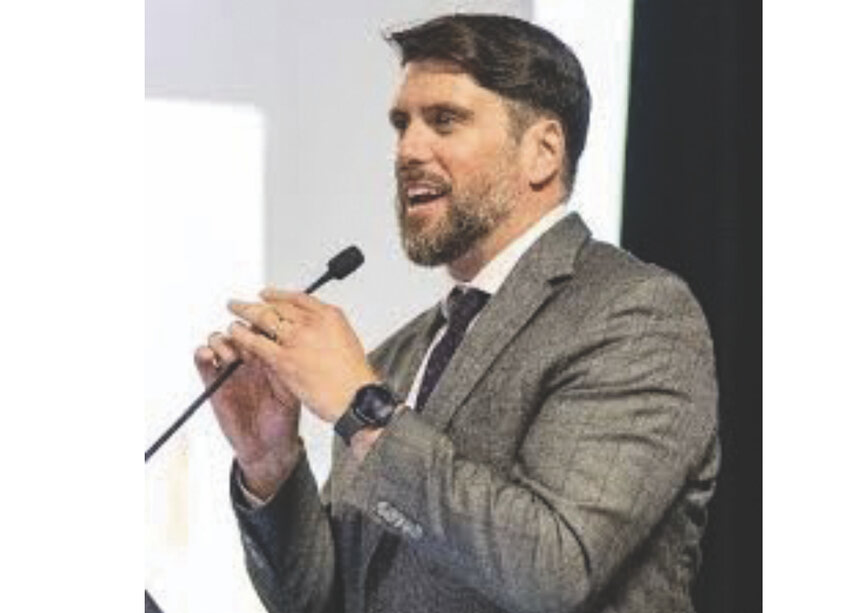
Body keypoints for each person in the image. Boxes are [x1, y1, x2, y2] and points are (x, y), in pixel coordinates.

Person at [195, 13, 719, 613]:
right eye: (402, 125)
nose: (408, 151)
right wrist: (269, 464)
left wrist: (364, 409)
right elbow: (326, 602)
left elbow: (553, 571)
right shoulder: (397, 358)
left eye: (444, 120)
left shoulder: (635, 316)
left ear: (543, 151)